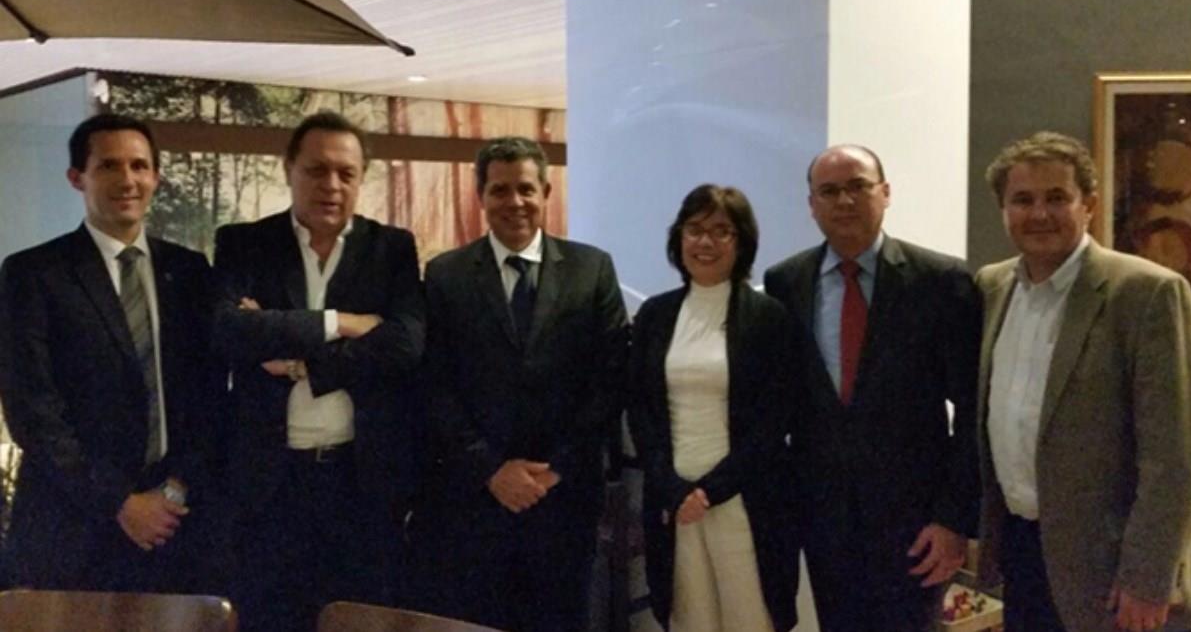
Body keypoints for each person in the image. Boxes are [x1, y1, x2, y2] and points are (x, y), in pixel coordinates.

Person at [976, 131, 1191, 632]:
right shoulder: (992, 286)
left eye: (1057, 197)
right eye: (1023, 200)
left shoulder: (1147, 294)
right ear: (1004, 210)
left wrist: (1148, 578)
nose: (1039, 214)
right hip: (1022, 555)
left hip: (1114, 574)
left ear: (1090, 205)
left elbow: (1174, 458)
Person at [212, 111, 425, 632]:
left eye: (346, 173)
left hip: (360, 481)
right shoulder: (245, 243)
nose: (331, 185)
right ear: (289, 169)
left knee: (359, 619)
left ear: (361, 178)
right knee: (269, 620)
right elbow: (230, 331)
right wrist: (342, 322)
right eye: (316, 170)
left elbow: (404, 345)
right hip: (269, 484)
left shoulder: (391, 248)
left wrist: (302, 360)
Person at [0, 113, 224, 592]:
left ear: (156, 177)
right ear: (76, 177)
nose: (128, 180)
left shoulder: (189, 272)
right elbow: (32, 410)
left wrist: (175, 488)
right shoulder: (33, 274)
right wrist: (120, 502)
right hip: (72, 529)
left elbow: (207, 395)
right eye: (109, 166)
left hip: (175, 525)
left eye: (140, 166)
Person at [763, 144, 981, 631]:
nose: (844, 201)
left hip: (916, 524)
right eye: (829, 191)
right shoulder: (785, 282)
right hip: (824, 518)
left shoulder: (939, 280)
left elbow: (971, 411)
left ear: (885, 192)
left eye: (858, 186)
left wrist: (953, 519)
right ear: (811, 205)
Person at [415, 136, 628, 632]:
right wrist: (490, 469)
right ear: (480, 195)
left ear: (546, 192)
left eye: (526, 189)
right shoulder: (445, 275)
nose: (515, 202)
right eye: (500, 190)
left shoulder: (591, 268)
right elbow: (435, 384)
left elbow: (611, 378)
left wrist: (555, 469)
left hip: (564, 498)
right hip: (475, 500)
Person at [628, 184, 798, 632]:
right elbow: (642, 410)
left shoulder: (768, 317)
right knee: (689, 618)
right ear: (679, 237)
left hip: (743, 499)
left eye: (722, 231)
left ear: (742, 243)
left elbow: (773, 419)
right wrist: (673, 488)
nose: (705, 242)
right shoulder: (655, 315)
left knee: (751, 618)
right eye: (695, 229)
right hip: (675, 502)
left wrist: (710, 491)